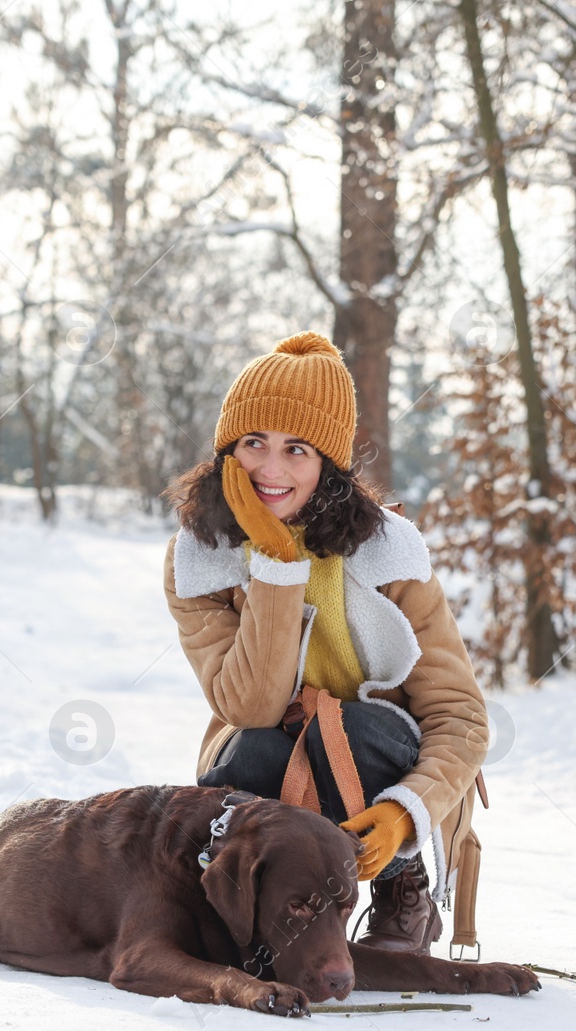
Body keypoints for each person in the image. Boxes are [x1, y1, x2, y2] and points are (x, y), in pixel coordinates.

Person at [161, 330, 489, 956]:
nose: (272, 469)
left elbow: (461, 716)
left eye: (297, 449)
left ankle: (403, 890)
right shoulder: (200, 560)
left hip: (382, 754)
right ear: (228, 453)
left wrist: (407, 814)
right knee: (251, 745)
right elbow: (251, 707)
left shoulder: (392, 554)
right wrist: (277, 564)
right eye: (253, 443)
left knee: (358, 728)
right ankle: (267, 905)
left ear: (329, 464)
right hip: (265, 750)